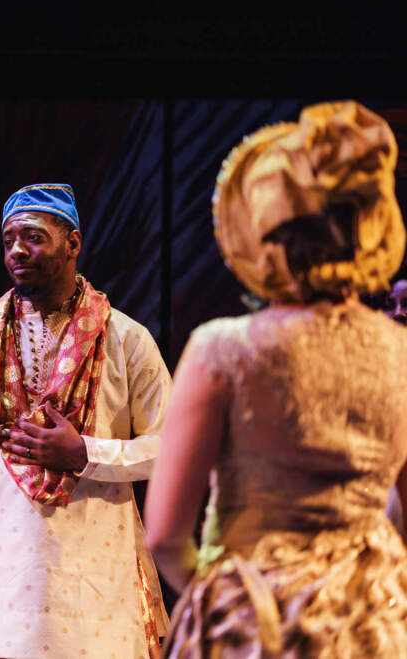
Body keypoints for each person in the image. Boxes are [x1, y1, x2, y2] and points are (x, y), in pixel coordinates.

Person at [145, 101, 407, 656]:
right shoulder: (400, 348)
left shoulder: (225, 349)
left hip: (258, 626)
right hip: (373, 625)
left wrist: (224, 603)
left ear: (264, 233)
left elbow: (166, 536)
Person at [0, 183, 172, 658]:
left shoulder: (127, 340)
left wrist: (86, 453)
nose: (17, 251)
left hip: (95, 586)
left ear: (73, 243)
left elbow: (172, 446)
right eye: (8, 241)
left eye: (33, 236)